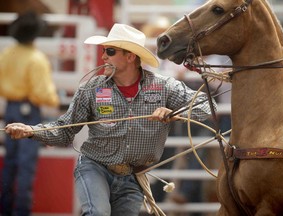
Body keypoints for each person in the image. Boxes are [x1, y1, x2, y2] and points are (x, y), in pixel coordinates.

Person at [4, 23, 216, 216]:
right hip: (94, 167)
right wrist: (32, 131)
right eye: (104, 50)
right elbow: (64, 129)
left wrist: (172, 114)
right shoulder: (92, 88)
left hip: (133, 176)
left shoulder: (164, 87)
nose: (103, 56)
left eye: (110, 51)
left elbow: (208, 107)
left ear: (130, 56)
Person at [0, 11, 59, 215]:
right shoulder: (36, 58)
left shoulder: (7, 53)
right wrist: (55, 101)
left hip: (11, 107)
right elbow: (44, 93)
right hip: (29, 110)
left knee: (11, 162)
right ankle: (22, 211)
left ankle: (5, 208)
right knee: (26, 164)